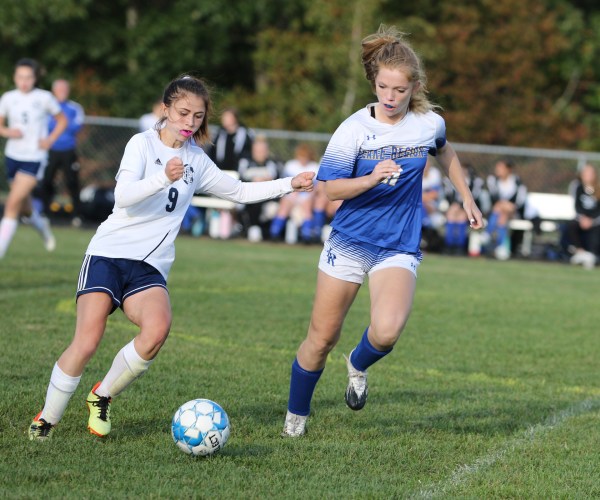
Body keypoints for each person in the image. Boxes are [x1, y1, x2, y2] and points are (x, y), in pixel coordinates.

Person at [28, 74, 315, 441]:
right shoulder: (141, 144)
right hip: (109, 253)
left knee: (157, 330)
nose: (189, 122)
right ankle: (47, 419)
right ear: (165, 109)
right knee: (87, 340)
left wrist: (289, 184)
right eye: (182, 113)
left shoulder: (197, 159)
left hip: (150, 264)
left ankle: (101, 396)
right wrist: (163, 177)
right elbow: (123, 196)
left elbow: (240, 192)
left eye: (198, 116)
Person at [281, 25, 483, 437]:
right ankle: (295, 418)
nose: (390, 97)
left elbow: (445, 151)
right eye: (383, 87)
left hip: (398, 246)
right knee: (321, 339)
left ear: (415, 88)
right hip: (349, 243)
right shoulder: (353, 130)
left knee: (387, 332)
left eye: (399, 90)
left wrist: (466, 197)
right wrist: (371, 178)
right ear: (373, 83)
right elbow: (330, 190)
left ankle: (357, 363)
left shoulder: (428, 123)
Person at [0, 58, 67, 259]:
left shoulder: (44, 97)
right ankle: (42, 226)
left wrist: (50, 140)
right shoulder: (8, 98)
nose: (24, 81)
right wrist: (8, 132)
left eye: (28, 77)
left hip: (34, 157)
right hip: (13, 156)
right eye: (20, 77)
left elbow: (62, 120)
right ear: (14, 77)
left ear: (35, 78)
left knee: (12, 203)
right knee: (25, 208)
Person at [39, 79, 85, 226]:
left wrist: (60, 123)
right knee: (47, 180)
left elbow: (76, 126)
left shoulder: (74, 108)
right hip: (51, 150)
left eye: (64, 89)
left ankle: (77, 215)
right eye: (59, 89)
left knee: (72, 181)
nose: (62, 92)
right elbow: (45, 126)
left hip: (68, 150)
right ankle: (44, 213)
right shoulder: (47, 107)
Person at [269, 143, 320, 243]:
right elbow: (284, 182)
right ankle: (274, 233)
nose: (302, 159)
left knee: (307, 209)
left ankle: (307, 235)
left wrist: (308, 195)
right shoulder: (291, 165)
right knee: (284, 207)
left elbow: (317, 187)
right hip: (291, 193)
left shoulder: (314, 167)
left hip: (306, 195)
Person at [481, 159, 527, 260]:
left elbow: (520, 201)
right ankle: (501, 247)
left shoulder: (517, 181)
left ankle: (487, 233)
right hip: (498, 211)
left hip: (513, 212)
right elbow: (493, 198)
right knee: (502, 215)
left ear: (508, 169)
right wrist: (503, 204)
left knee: (502, 209)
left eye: (501, 168)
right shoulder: (493, 180)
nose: (497, 170)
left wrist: (507, 205)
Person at [237, 134, 280, 242]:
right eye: (258, 151)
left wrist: (263, 181)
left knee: (273, 208)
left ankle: (266, 232)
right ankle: (249, 228)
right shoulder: (245, 162)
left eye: (263, 151)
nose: (260, 153)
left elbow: (275, 180)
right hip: (247, 198)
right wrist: (254, 181)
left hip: (267, 199)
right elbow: (240, 178)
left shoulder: (271, 164)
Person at [443, 162, 487, 255]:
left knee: (461, 216)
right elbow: (448, 196)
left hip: (470, 209)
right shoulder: (449, 181)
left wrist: (460, 206)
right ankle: (449, 244)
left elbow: (474, 197)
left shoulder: (475, 182)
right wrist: (456, 205)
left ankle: (459, 246)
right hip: (454, 208)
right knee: (451, 214)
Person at [567, 163, 600, 269]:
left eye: (590, 173)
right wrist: (583, 218)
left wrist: (592, 220)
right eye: (585, 173)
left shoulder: (598, 187)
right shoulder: (577, 186)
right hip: (581, 219)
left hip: (595, 220)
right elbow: (577, 206)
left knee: (597, 230)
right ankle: (580, 252)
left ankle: (592, 255)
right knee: (571, 226)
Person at [206, 107, 254, 171]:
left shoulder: (244, 134)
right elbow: (212, 152)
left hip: (238, 171)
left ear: (234, 118)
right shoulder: (220, 134)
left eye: (227, 117)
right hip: (221, 170)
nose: (223, 119)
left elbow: (248, 152)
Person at [420, 157, 445, 252]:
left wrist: (420, 196)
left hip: (433, 205)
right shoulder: (415, 173)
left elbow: (434, 195)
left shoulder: (434, 174)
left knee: (422, 205)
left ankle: (423, 235)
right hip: (419, 204)